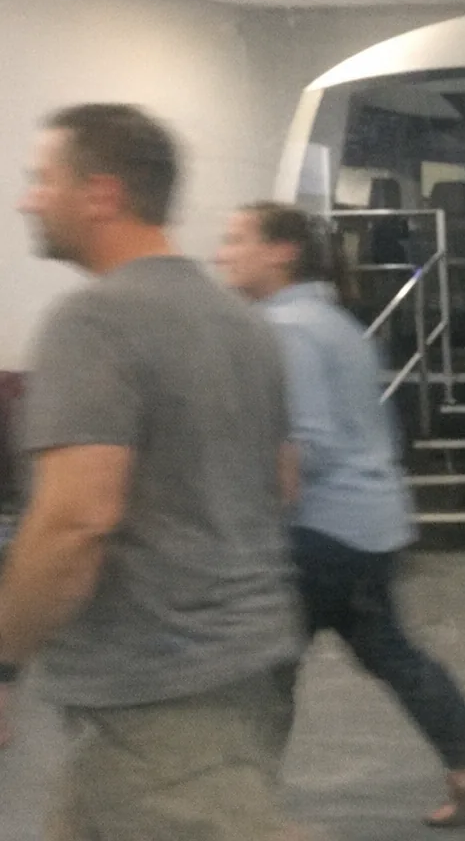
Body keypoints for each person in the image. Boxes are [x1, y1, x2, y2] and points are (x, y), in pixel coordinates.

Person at [0, 104, 301, 839]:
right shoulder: (243, 321)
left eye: (43, 179)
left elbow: (76, 522)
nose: (26, 198)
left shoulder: (94, 322)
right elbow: (285, 482)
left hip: (161, 710)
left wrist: (5, 660)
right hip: (242, 673)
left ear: (101, 194)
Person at [216, 201, 465, 829]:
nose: (223, 252)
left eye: (237, 239)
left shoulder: (287, 327)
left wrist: (246, 520)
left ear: (281, 251)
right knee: (385, 650)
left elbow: (306, 443)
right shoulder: (331, 320)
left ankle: (229, 803)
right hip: (368, 522)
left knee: (260, 670)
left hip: (319, 533)